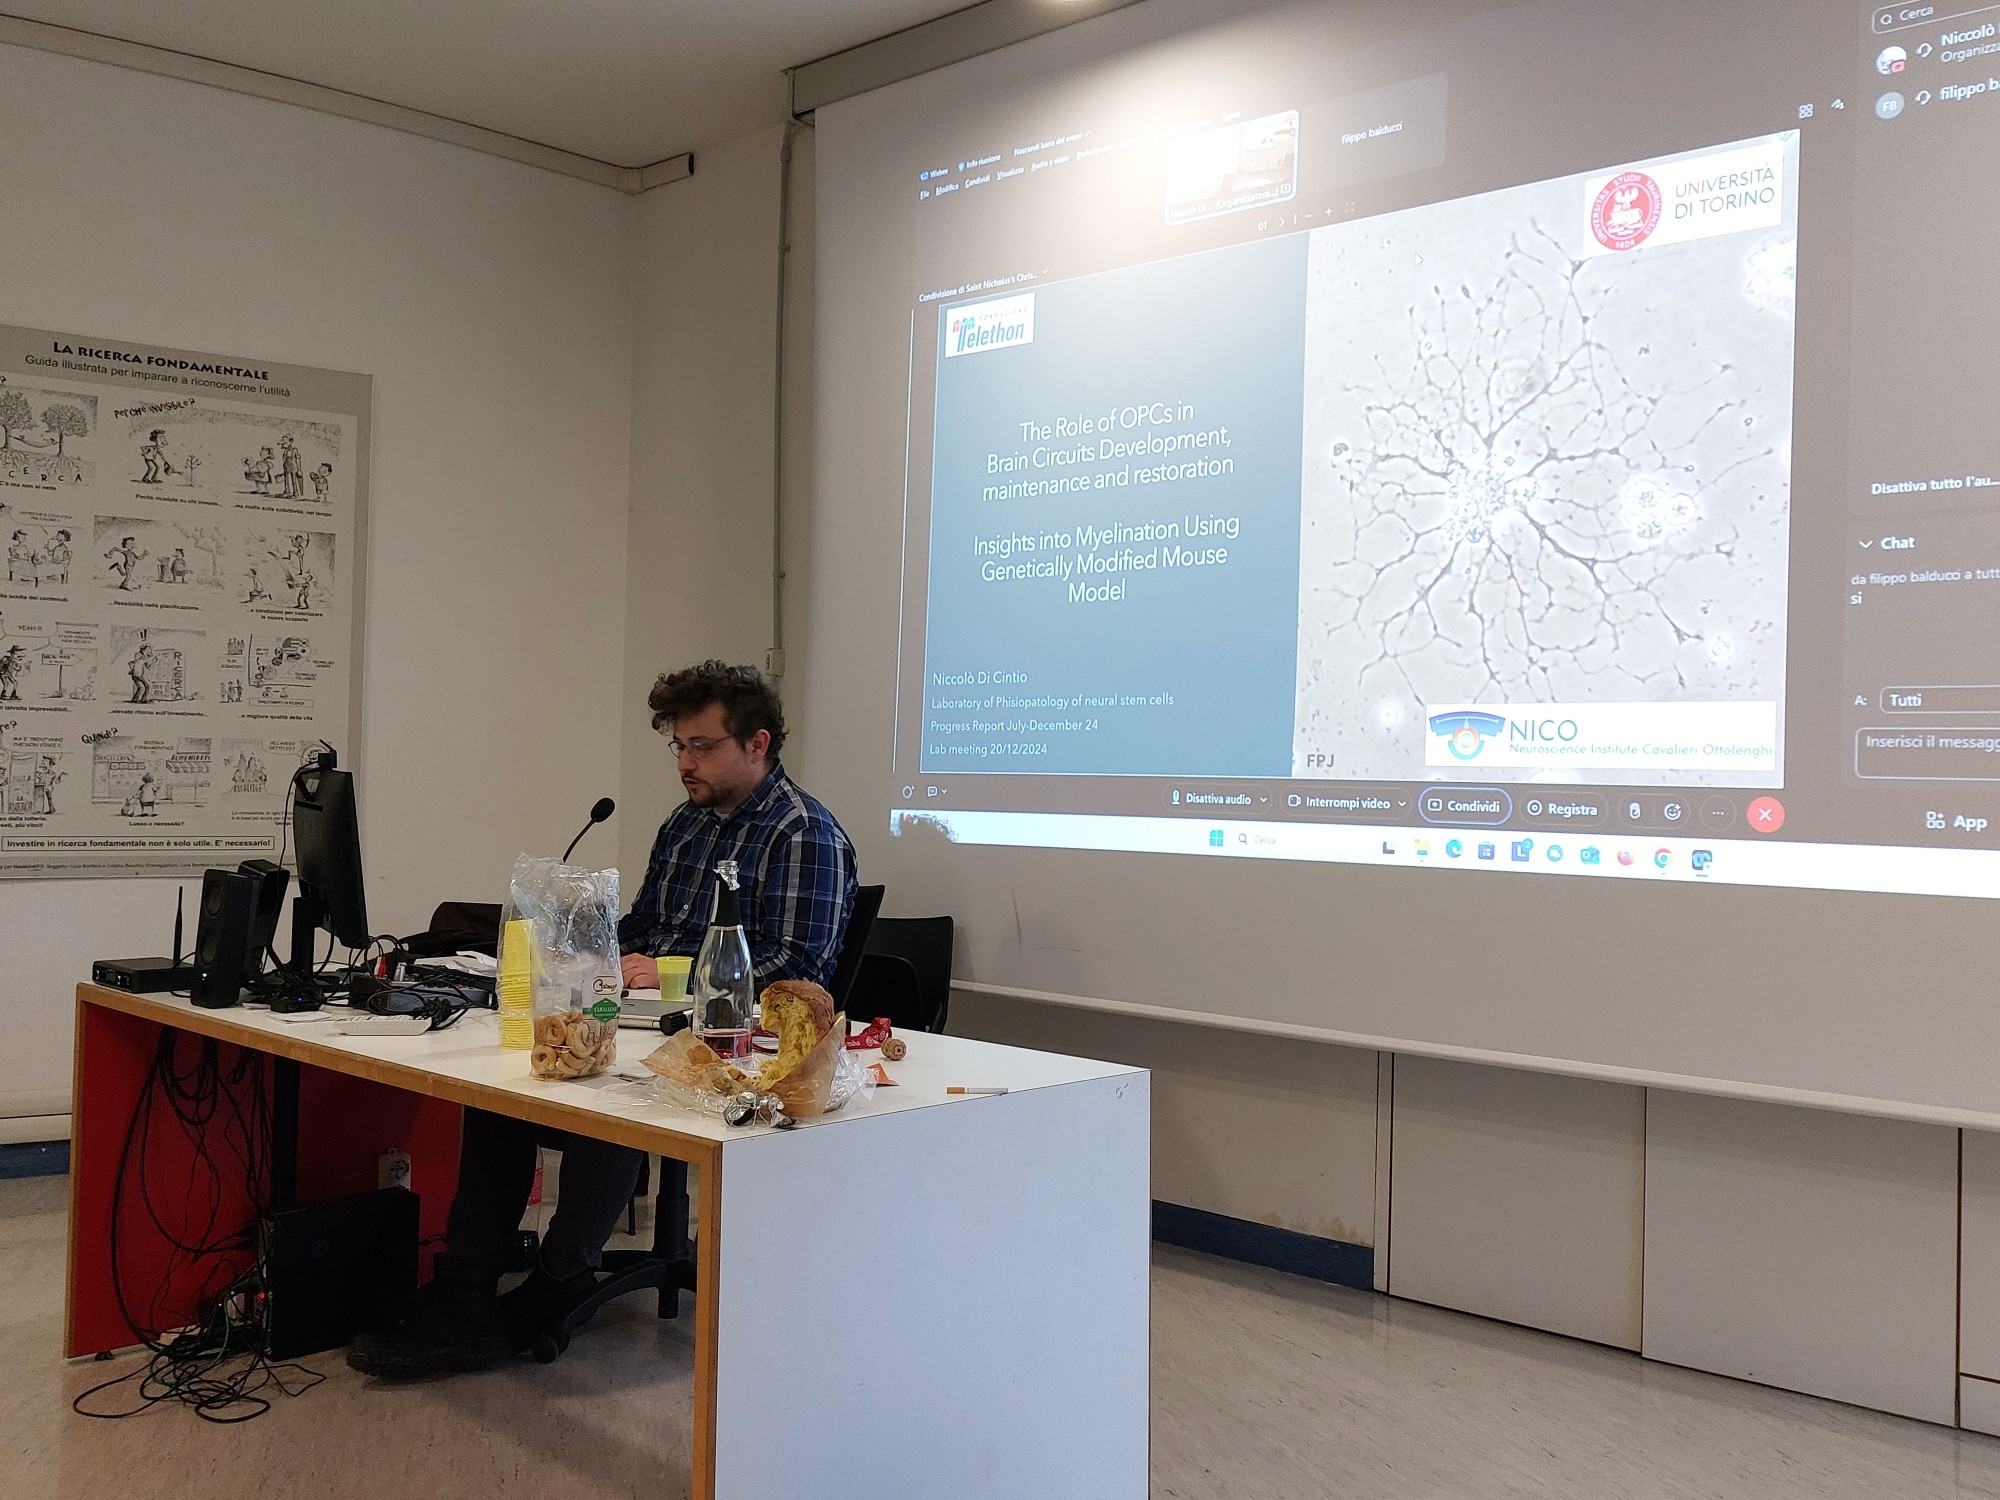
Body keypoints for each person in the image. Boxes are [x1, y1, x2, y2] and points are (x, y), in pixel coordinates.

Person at [349, 660, 857, 1379]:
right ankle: (467, 1285)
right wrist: (579, 950)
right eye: (677, 746)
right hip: (653, 1022)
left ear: (757, 743)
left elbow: (797, 971)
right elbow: (641, 929)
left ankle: (561, 1279)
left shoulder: (804, 834)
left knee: (610, 1092)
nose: (684, 763)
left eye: (702, 746)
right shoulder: (686, 823)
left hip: (736, 1048)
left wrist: (668, 969)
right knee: (507, 1087)